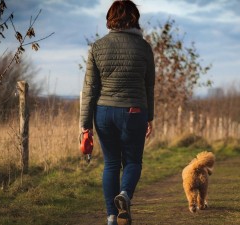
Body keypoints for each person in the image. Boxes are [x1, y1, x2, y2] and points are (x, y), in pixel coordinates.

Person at [79, 1, 155, 224]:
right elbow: (149, 85)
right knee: (132, 162)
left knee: (111, 163)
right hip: (133, 111)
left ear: (110, 18)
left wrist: (85, 124)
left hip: (103, 113)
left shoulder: (97, 47)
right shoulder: (144, 48)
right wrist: (149, 116)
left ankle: (111, 216)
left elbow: (89, 88)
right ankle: (124, 195)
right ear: (134, 18)